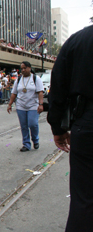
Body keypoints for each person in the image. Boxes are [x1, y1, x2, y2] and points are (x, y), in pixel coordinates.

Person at [47, 25, 93, 231]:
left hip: (88, 124)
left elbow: (58, 87)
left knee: (84, 199)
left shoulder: (79, 40)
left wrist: (58, 128)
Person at [7, 62, 44, 152]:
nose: (23, 70)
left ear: (30, 68)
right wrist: (10, 104)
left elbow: (40, 92)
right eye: (22, 68)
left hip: (33, 105)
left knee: (33, 124)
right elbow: (14, 93)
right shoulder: (18, 79)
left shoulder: (36, 78)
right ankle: (26, 144)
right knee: (24, 126)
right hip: (21, 106)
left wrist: (41, 104)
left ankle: (35, 140)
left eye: (25, 68)